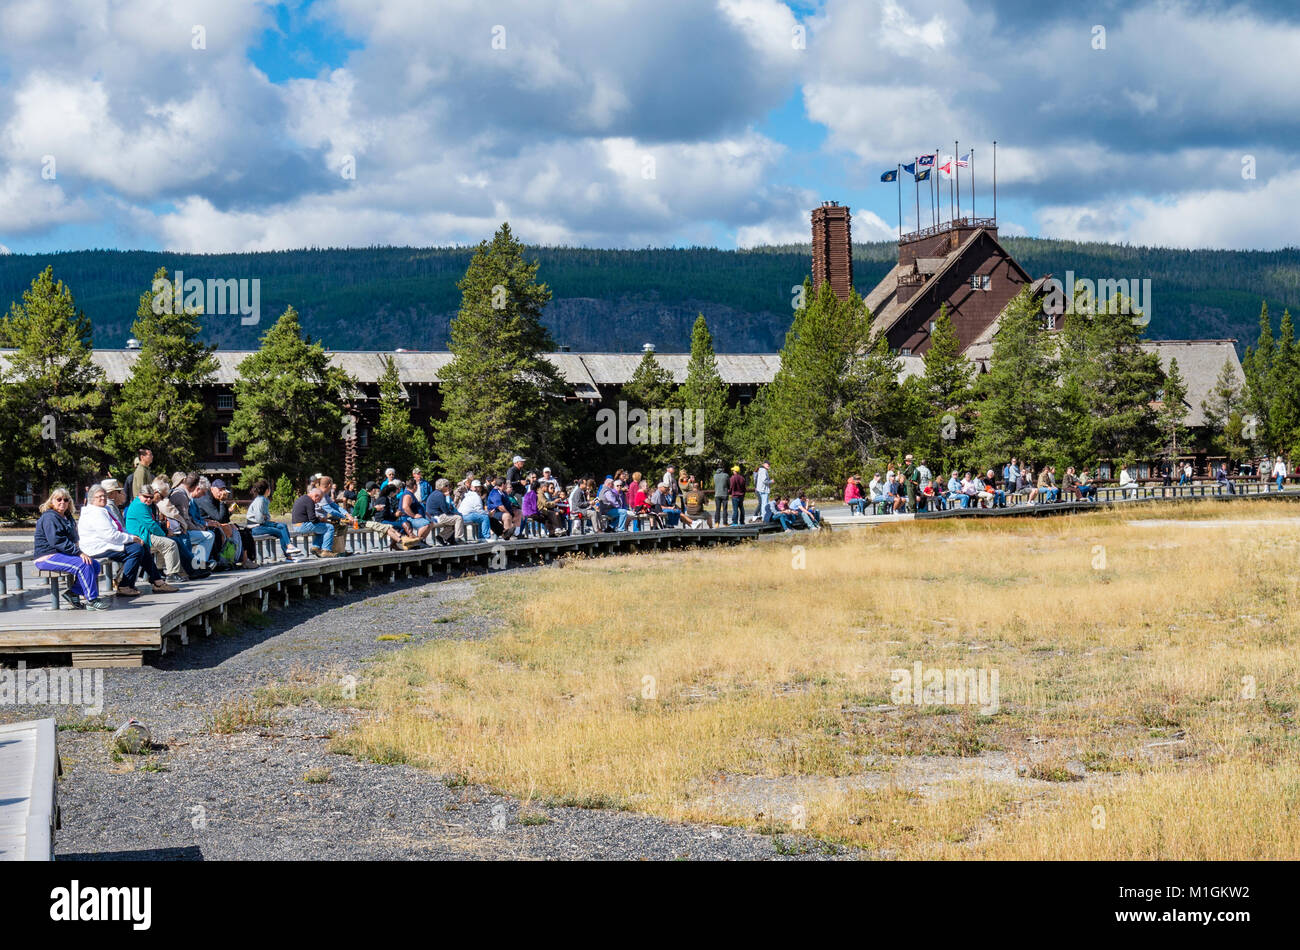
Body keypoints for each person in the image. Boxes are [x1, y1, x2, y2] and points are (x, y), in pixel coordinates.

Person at [80, 484, 174, 596]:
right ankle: (125, 585)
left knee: (141, 546)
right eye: (99, 496)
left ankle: (157, 581)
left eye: (104, 495)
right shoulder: (95, 512)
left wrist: (133, 537)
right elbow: (110, 535)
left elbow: (119, 529)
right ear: (91, 499)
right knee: (136, 549)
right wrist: (131, 538)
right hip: (97, 547)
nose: (103, 498)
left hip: (108, 543)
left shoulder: (105, 508)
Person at [33, 488, 109, 610]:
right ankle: (92, 600)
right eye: (58, 499)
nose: (62, 502)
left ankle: (73, 593)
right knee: (83, 565)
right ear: (52, 501)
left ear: (69, 502)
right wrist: (78, 553)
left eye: (66, 499)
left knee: (94, 564)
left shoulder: (67, 517)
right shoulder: (49, 517)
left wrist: (79, 549)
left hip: (61, 554)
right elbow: (56, 541)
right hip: (47, 557)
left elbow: (74, 538)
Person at [125, 482, 185, 584]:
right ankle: (172, 574)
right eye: (146, 497)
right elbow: (151, 525)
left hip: (144, 534)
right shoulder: (140, 505)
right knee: (170, 544)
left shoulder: (142, 504)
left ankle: (159, 571)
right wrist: (165, 533)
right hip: (141, 536)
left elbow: (152, 524)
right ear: (139, 495)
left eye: (151, 497)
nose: (149, 499)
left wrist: (164, 533)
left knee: (166, 543)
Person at [246, 478, 303, 561]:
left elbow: (266, 517)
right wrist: (266, 519)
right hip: (255, 528)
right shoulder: (260, 500)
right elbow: (259, 519)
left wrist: (266, 519)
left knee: (283, 526)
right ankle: (288, 553)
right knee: (280, 531)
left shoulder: (263, 500)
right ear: (267, 490)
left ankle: (289, 548)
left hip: (261, 525)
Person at [292, 485, 337, 556]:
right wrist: (321, 519)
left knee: (321, 528)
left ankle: (316, 547)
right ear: (316, 495)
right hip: (302, 526)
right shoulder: (310, 501)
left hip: (296, 525)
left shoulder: (302, 498)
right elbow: (313, 519)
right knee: (329, 527)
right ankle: (326, 550)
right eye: (318, 499)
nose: (317, 502)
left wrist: (319, 520)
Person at [426, 479, 467, 543]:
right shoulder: (440, 495)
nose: (448, 487)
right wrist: (455, 514)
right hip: (436, 517)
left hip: (433, 516)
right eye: (447, 485)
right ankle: (458, 538)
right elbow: (445, 510)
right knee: (458, 518)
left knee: (453, 522)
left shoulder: (435, 493)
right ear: (442, 486)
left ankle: (441, 537)